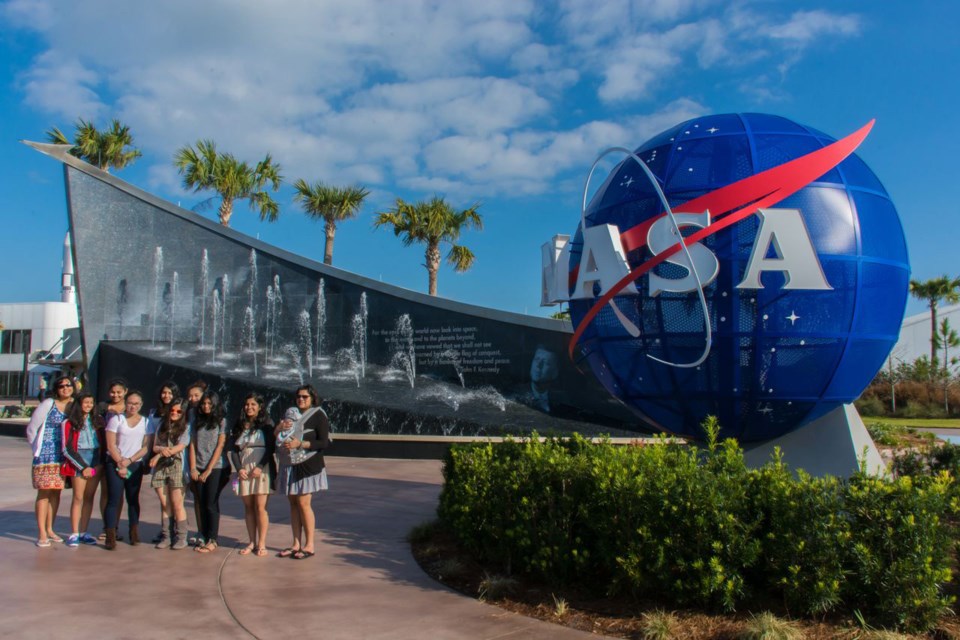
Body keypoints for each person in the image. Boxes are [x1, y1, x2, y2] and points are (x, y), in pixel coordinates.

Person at [274, 384, 330, 560]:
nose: (301, 399)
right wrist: (280, 428)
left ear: (312, 398)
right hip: (290, 464)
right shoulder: (291, 414)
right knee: (293, 504)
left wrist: (301, 444)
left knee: (304, 503)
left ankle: (309, 545)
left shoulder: (318, 415)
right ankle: (296, 543)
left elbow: (324, 443)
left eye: (305, 397)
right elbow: (275, 435)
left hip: (308, 464)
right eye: (299, 396)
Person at [25, 375, 74, 547]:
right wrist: (36, 450)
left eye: (68, 385)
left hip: (63, 457)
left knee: (56, 493)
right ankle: (42, 532)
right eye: (61, 386)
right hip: (45, 457)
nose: (65, 388)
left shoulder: (74, 405)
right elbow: (32, 428)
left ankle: (50, 528)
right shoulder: (48, 404)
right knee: (44, 493)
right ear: (56, 389)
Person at [228, 393, 275, 557]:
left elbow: (271, 448)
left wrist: (260, 466)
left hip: (261, 468)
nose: (249, 407)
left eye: (253, 404)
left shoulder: (267, 424)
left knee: (260, 507)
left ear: (260, 406)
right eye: (247, 404)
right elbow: (234, 450)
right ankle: (251, 541)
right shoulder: (239, 424)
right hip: (245, 469)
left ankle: (262, 543)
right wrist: (239, 468)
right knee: (248, 507)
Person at [103, 390, 150, 550]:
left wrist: (129, 461)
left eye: (136, 403)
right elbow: (110, 444)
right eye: (130, 403)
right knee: (113, 499)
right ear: (125, 403)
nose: (133, 406)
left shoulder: (146, 422)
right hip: (115, 463)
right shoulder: (117, 420)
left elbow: (146, 447)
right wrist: (120, 463)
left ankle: (134, 532)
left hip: (134, 464)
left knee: (133, 499)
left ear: (141, 405)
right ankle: (110, 536)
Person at [61, 392, 105, 547]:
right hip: (79, 460)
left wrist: (97, 463)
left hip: (95, 458)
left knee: (89, 497)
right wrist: (83, 466)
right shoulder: (69, 422)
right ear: (79, 404)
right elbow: (67, 449)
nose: (88, 405)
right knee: (78, 497)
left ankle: (84, 531)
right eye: (85, 402)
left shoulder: (98, 421)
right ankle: (74, 533)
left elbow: (103, 442)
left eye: (91, 402)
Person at [189, 390, 229, 553]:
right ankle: (204, 536)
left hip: (216, 467)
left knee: (210, 503)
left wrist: (208, 470)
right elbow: (192, 444)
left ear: (215, 405)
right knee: (201, 503)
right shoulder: (196, 420)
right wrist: (193, 467)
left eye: (209, 404)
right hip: (198, 467)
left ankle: (213, 539)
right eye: (204, 403)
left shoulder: (221, 421)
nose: (206, 406)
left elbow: (220, 446)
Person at [149, 398, 190, 550]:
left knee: (177, 503)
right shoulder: (161, 424)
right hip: (160, 467)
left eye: (178, 411)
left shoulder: (186, 427)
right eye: (172, 410)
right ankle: (167, 536)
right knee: (165, 503)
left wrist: (159, 454)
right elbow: (155, 446)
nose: (174, 413)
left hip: (176, 465)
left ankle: (181, 537)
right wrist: (160, 451)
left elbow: (180, 446)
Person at [147, 380, 179, 546]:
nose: (166, 396)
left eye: (170, 393)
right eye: (164, 392)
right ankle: (166, 531)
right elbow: (151, 438)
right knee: (163, 497)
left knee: (175, 498)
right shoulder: (154, 413)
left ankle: (176, 531)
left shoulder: (179, 411)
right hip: (158, 457)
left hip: (175, 459)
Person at [97, 378, 128, 541]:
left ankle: (114, 525)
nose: (115, 395)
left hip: (125, 456)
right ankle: (107, 526)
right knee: (106, 491)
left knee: (118, 493)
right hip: (105, 453)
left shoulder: (130, 408)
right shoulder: (103, 408)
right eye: (113, 392)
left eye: (119, 392)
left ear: (125, 392)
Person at [184, 379, 207, 545]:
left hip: (210, 462)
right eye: (190, 396)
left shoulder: (213, 412)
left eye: (196, 395)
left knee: (209, 500)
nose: (193, 399)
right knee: (198, 499)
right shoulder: (190, 413)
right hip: (194, 460)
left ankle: (209, 532)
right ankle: (201, 531)